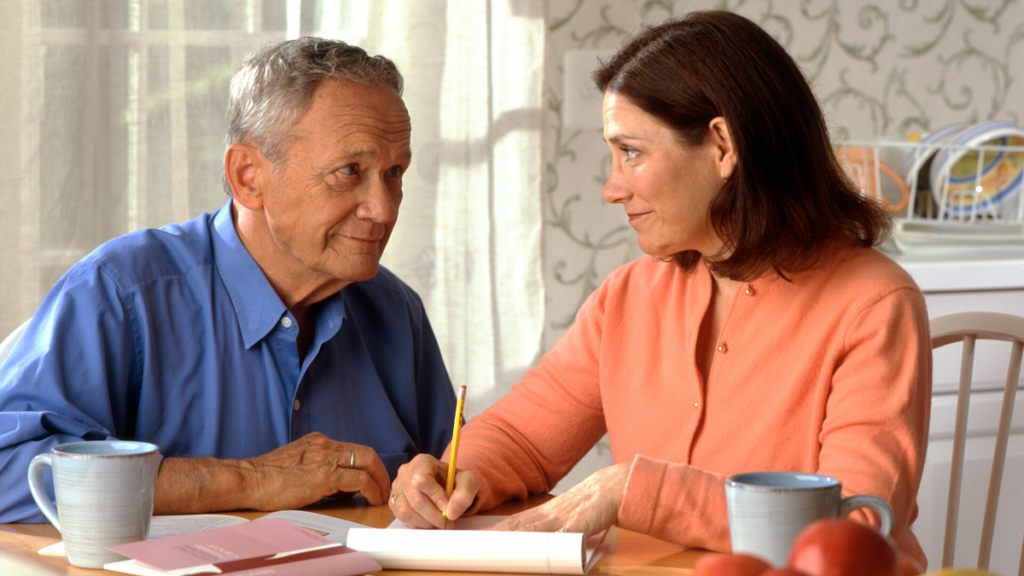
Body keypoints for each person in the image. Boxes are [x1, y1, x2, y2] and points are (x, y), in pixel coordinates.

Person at [390, 11, 931, 567]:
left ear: (722, 145)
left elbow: (856, 521)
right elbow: (523, 437)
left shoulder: (874, 303)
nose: (610, 188)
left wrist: (634, 490)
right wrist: (452, 474)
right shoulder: (628, 296)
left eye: (631, 151)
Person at [0, 38, 457, 523]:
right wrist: (249, 479)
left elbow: (458, 476)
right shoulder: (119, 293)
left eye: (394, 172)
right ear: (247, 177)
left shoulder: (396, 310)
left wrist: (453, 481)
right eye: (349, 171)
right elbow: (8, 472)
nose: (384, 209)